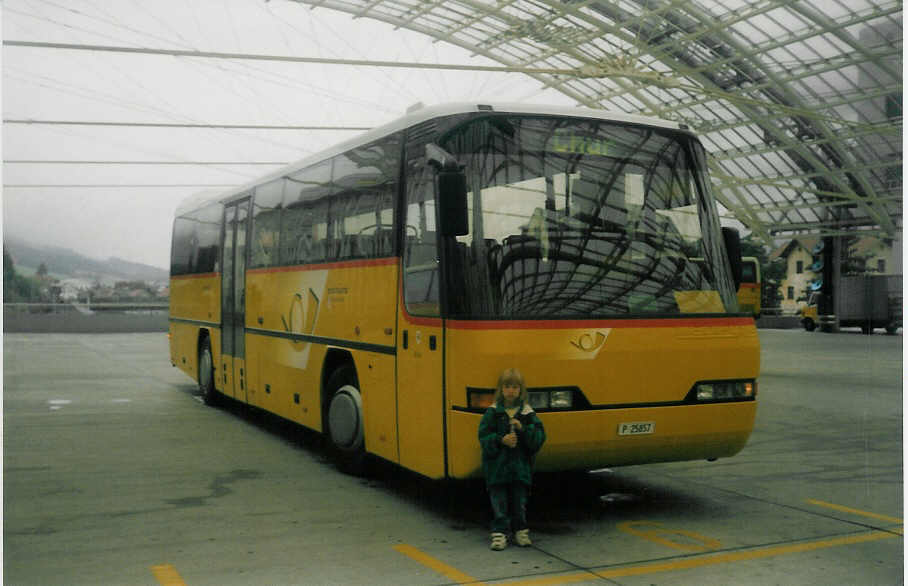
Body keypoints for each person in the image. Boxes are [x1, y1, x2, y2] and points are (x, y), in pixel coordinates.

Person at [477, 368, 546, 550]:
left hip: (519, 468)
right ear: (501, 389)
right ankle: (500, 534)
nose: (511, 391)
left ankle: (520, 531)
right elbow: (483, 437)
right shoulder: (493, 412)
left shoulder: (527, 413)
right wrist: (501, 440)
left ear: (521, 390)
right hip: (497, 469)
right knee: (499, 503)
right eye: (507, 386)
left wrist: (523, 429)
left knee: (519, 503)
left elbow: (539, 437)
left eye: (515, 387)